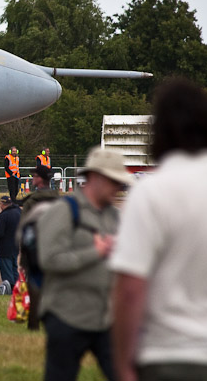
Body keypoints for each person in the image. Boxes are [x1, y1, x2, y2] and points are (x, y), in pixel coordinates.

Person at [110, 79, 207, 381]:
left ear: (161, 132)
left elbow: (130, 289)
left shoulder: (149, 193)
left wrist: (122, 364)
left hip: (167, 357)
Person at [37, 147, 132, 381]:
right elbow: (49, 259)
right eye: (115, 182)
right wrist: (96, 252)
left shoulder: (114, 216)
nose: (119, 189)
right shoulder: (63, 211)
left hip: (105, 319)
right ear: (96, 178)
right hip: (67, 317)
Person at [16, 165, 59, 331]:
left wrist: (24, 257)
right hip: (55, 251)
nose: (33, 178)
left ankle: (33, 324)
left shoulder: (32, 202)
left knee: (34, 289)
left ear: (40, 178)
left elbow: (24, 229)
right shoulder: (59, 200)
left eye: (34, 175)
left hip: (34, 253)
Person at [0, 195, 21, 287]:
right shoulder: (18, 212)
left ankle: (9, 288)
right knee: (14, 269)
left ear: (2, 204)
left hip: (4, 247)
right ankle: (17, 288)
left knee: (7, 271)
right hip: (15, 245)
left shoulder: (4, 216)